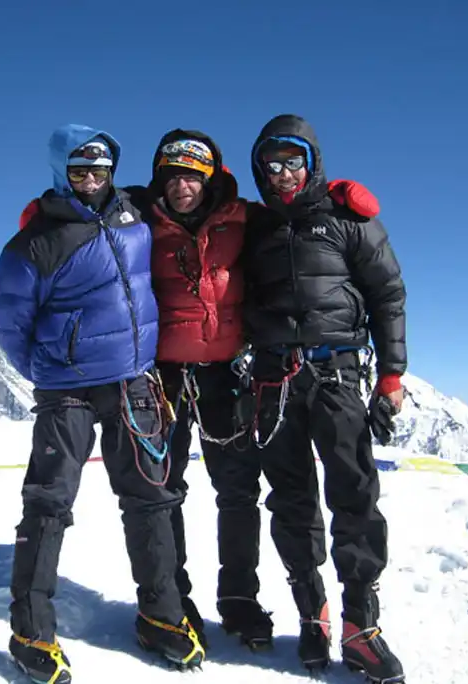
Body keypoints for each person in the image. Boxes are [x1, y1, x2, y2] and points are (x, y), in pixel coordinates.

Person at [142, 129, 383, 655]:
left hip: (227, 374)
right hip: (163, 377)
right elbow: (95, 213)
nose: (181, 185)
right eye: (170, 175)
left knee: (239, 491)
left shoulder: (243, 218)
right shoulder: (140, 218)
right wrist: (48, 214)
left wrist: (335, 192)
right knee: (163, 492)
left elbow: (298, 212)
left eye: (192, 174)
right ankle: (172, 602)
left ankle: (239, 599)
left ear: (213, 178)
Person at [0, 124, 205, 684]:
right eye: (80, 170)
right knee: (49, 502)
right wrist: (50, 370)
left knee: (150, 498)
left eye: (101, 170)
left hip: (134, 383)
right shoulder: (34, 243)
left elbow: (195, 189)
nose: (92, 180)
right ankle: (30, 630)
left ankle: (160, 616)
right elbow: (11, 325)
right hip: (69, 391)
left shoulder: (134, 210)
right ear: (61, 170)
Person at [240, 113, 407, 683]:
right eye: (271, 164)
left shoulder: (349, 218)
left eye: (293, 162)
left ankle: (362, 626)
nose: (282, 174)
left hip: (336, 375)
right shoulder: (253, 228)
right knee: (290, 499)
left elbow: (387, 296)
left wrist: (391, 376)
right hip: (272, 380)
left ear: (311, 164)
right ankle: (313, 616)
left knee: (354, 495)